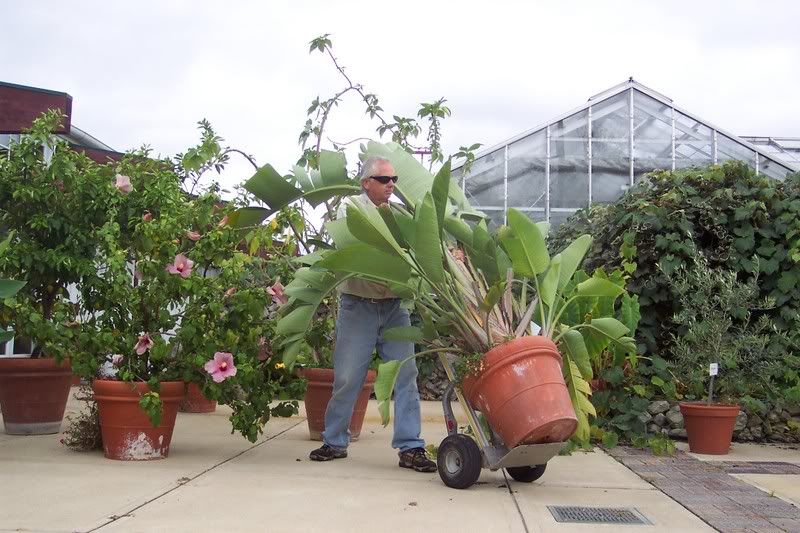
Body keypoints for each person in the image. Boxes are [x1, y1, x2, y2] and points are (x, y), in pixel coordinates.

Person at [308, 156, 436, 473]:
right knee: (348, 377)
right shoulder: (351, 207)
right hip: (358, 305)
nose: (391, 183)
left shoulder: (401, 213)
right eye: (383, 179)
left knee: (406, 376)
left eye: (393, 179)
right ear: (366, 183)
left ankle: (411, 448)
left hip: (395, 308)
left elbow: (418, 248)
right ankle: (335, 441)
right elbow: (353, 244)